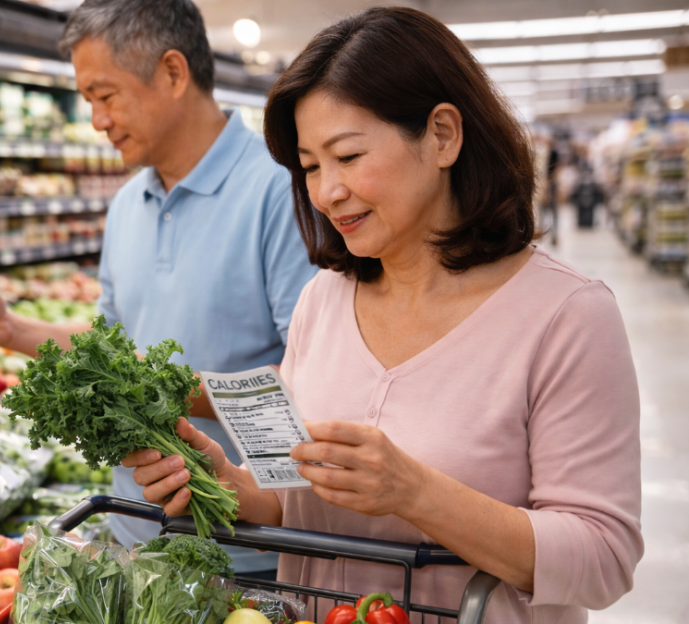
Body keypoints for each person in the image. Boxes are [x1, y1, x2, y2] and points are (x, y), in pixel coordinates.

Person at [125, 8, 642, 622]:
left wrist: (416, 493)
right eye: (310, 166)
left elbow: (604, 559)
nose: (327, 192)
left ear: (442, 135)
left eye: (347, 156)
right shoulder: (323, 300)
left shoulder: (566, 316)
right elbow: (297, 503)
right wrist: (227, 487)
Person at [0, 0, 317, 578]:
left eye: (105, 95)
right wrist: (10, 330)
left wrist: (156, 388)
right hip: (131, 533)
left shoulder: (281, 192)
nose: (97, 120)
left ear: (173, 72)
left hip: (246, 550)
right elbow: (108, 346)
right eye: (88, 100)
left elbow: (308, 385)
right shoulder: (125, 206)